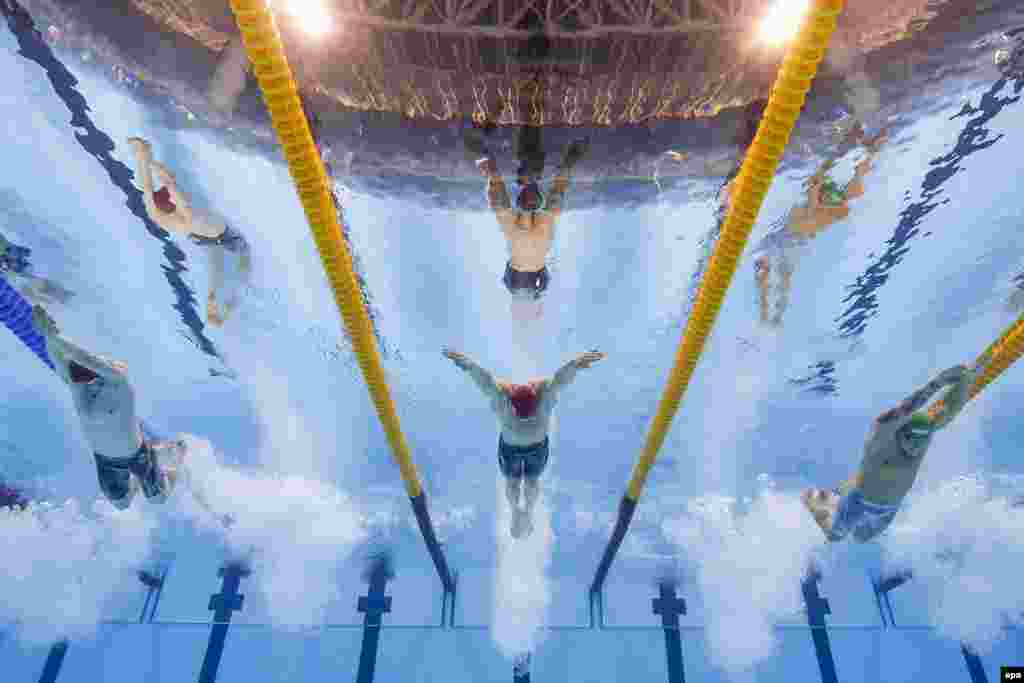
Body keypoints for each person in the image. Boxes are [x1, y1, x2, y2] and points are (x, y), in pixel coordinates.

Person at [802, 355, 990, 542]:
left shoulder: (927, 432)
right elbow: (901, 411)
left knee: (860, 539)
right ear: (901, 433)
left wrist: (965, 380)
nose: (916, 446)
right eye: (912, 440)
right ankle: (818, 504)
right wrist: (938, 382)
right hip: (858, 502)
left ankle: (840, 498)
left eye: (921, 441)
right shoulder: (883, 439)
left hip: (887, 510)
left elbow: (951, 407)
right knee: (836, 536)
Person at [31, 304, 185, 509]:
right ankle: (154, 462)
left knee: (156, 498)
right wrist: (49, 336)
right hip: (111, 457)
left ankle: (171, 460)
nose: (85, 383)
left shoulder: (119, 383)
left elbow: (83, 358)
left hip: (131, 457)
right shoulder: (82, 389)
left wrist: (52, 336)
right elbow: (62, 362)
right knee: (122, 502)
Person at [442, 348, 605, 538]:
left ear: (512, 402)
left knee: (512, 481)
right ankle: (527, 509)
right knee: (531, 480)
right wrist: (575, 364)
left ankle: (516, 510)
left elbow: (485, 381)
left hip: (511, 447)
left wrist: (468, 364)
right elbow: (560, 380)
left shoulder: (504, 398)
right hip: (536, 446)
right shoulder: (543, 396)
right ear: (535, 397)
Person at [752, 124, 888, 327]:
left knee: (777, 275)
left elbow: (818, 194)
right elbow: (848, 177)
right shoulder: (840, 201)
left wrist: (817, 188)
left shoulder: (833, 206)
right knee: (779, 275)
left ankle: (770, 317)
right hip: (791, 237)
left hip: (791, 239)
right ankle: (769, 316)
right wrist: (870, 151)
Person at [127, 137, 251, 326]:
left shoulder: (156, 214)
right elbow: (169, 182)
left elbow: (148, 187)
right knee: (240, 267)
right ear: (172, 202)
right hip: (227, 238)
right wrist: (148, 158)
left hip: (201, 238)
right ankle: (218, 309)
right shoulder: (185, 212)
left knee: (218, 271)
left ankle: (216, 309)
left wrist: (142, 157)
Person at [465, 126, 588, 300]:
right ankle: (483, 157)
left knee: (557, 192)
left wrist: (538, 285)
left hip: (541, 241)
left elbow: (544, 277)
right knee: (497, 194)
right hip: (516, 240)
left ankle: (571, 158)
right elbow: (508, 275)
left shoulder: (538, 287)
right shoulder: (513, 287)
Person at [0, 232, 74, 305]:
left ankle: (60, 294)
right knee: (32, 286)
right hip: (19, 273)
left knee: (35, 283)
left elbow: (23, 252)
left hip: (22, 270)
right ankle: (56, 296)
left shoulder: (10, 252)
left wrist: (16, 254)